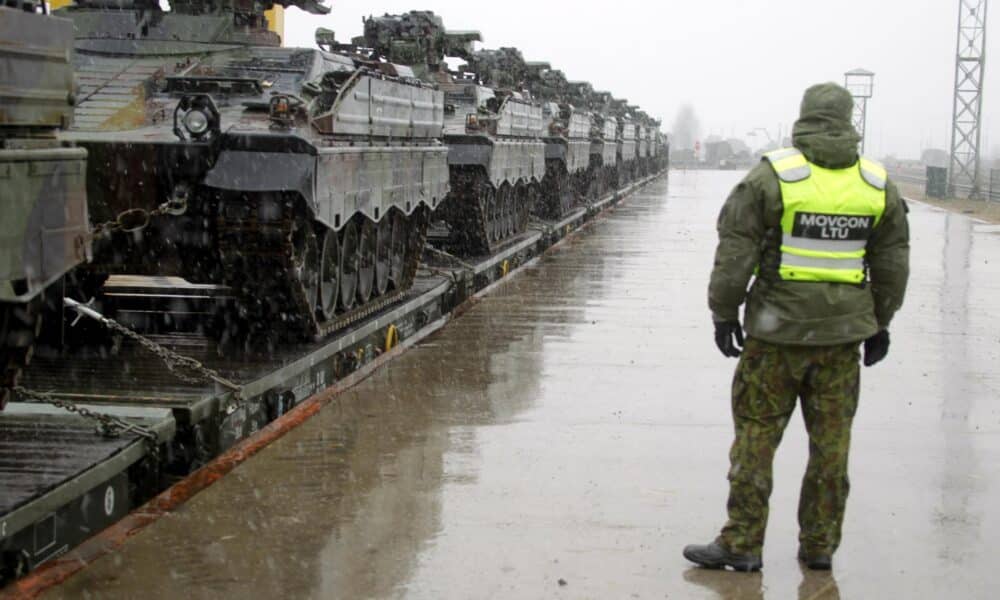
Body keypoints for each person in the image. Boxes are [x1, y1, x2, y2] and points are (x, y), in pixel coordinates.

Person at [683, 82, 910, 572]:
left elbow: (735, 252)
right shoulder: (875, 184)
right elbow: (893, 263)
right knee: (831, 446)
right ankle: (819, 546)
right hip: (841, 342)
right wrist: (880, 322)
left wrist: (723, 313)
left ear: (803, 118)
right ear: (850, 120)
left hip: (774, 336)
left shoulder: (772, 177)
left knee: (756, 438)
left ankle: (742, 542)